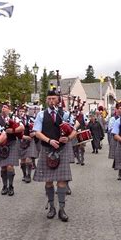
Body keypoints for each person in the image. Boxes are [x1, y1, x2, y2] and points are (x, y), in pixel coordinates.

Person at [33, 87, 77, 222]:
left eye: (54, 99)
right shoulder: (41, 115)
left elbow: (74, 130)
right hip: (47, 149)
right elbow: (37, 132)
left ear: (58, 100)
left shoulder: (65, 114)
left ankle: (62, 209)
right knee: (48, 181)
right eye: (49, 99)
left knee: (62, 181)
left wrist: (68, 138)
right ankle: (52, 206)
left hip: (62, 150)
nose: (51, 101)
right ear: (46, 100)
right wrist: (49, 140)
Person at [0, 101, 24, 196]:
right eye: (2, 107)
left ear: (9, 109)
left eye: (5, 107)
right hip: (1, 145)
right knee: (3, 168)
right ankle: (4, 186)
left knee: (10, 166)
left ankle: (11, 186)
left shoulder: (14, 118)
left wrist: (13, 130)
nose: (3, 109)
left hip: (11, 143)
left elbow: (22, 127)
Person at [18, 104, 37, 183]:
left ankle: (29, 175)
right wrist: (22, 136)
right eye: (20, 111)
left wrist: (34, 133)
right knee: (22, 160)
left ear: (26, 112)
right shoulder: (15, 120)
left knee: (28, 160)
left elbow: (37, 127)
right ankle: (24, 174)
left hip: (30, 140)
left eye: (23, 111)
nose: (21, 112)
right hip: (20, 140)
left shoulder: (31, 119)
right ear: (18, 112)